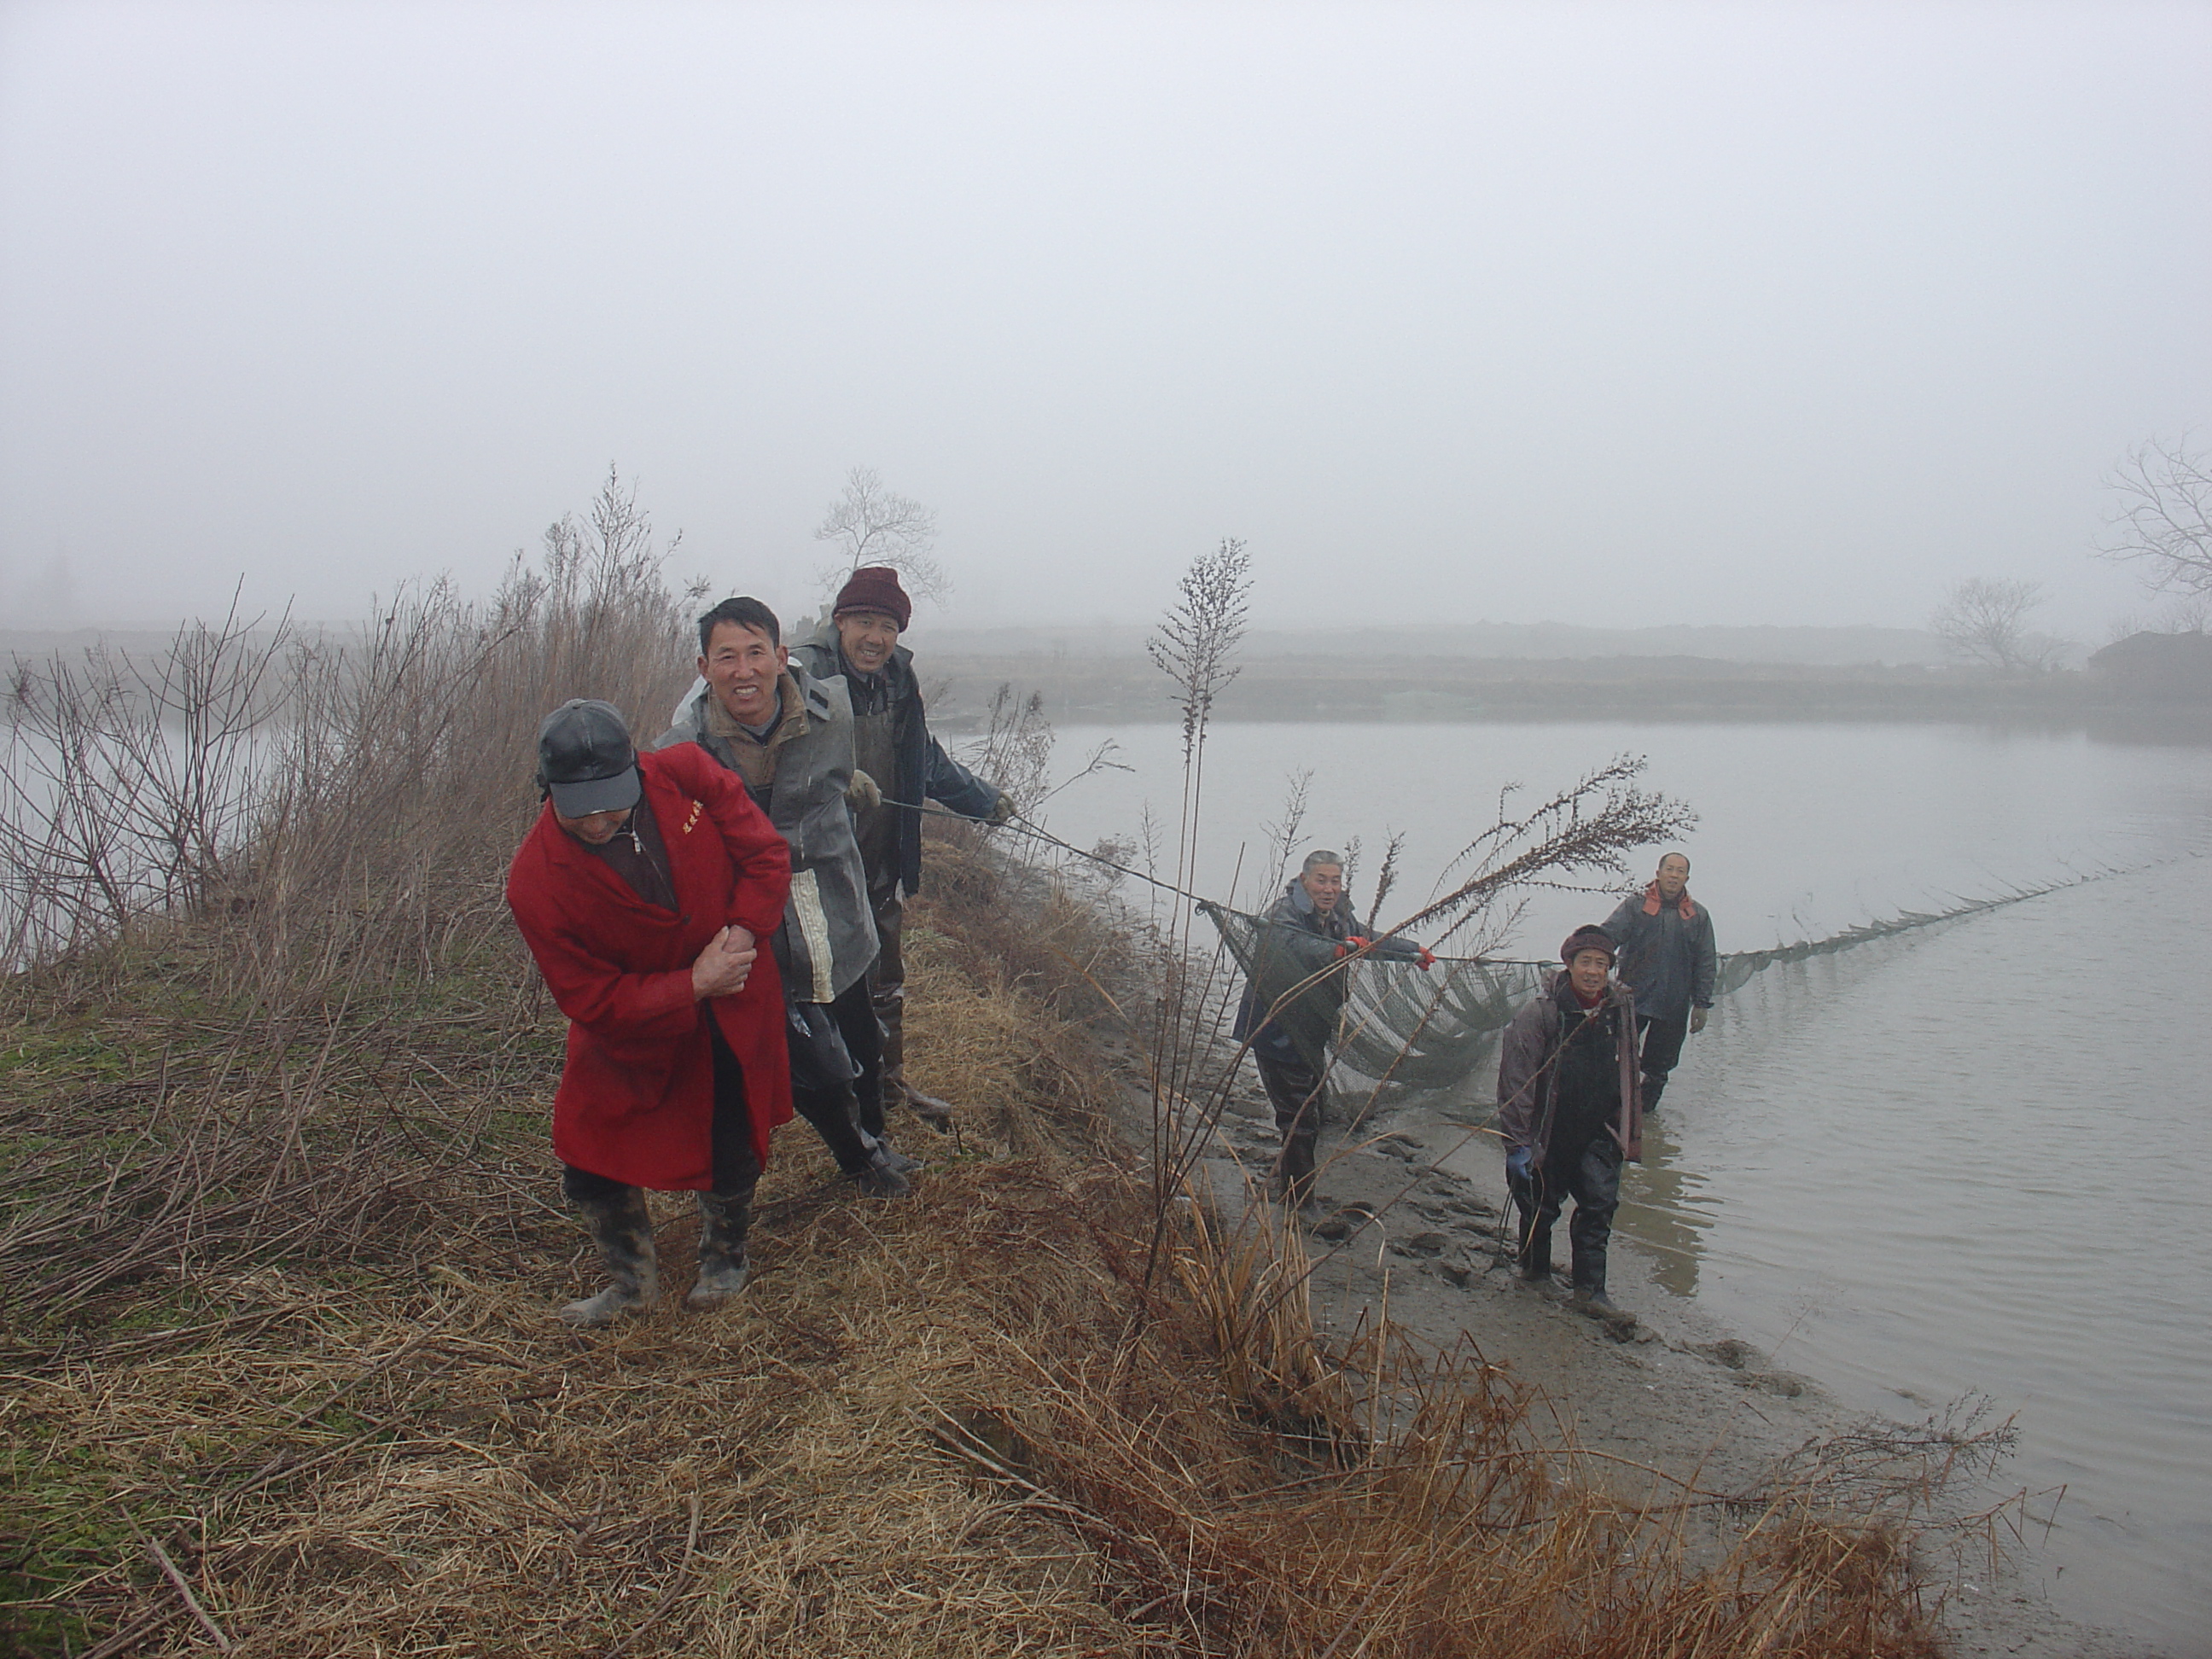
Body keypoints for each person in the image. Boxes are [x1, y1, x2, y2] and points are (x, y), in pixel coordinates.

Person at [505, 698, 793, 1326]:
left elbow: (765, 855)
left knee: (730, 1137)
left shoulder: (686, 773)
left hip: (735, 997)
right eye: (580, 809)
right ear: (547, 792)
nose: (601, 819)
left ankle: (725, 1260)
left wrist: (740, 939)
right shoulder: (534, 880)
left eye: (614, 799)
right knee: (589, 1150)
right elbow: (586, 998)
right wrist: (690, 985)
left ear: (635, 769)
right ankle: (632, 1287)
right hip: (635, 1026)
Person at [657, 597, 913, 1198]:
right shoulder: (681, 746)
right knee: (801, 1046)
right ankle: (848, 1155)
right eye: (726, 658)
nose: (743, 671)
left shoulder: (834, 713)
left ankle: (877, 1136)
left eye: (755, 653)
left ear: (780, 655)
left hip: (834, 896)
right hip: (753, 910)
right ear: (704, 667)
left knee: (861, 1028)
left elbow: (836, 771)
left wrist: (845, 781)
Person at [791, 566, 1015, 1128]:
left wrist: (982, 801)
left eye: (888, 625)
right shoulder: (803, 672)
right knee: (820, 989)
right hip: (812, 871)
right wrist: (836, 779)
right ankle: (832, 1104)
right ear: (840, 621)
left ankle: (886, 1091)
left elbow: (925, 758)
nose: (876, 637)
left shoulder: (897, 677)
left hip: (879, 859)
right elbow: (773, 760)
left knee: (885, 981)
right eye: (864, 621)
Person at [1232, 850, 1432, 1210]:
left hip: (1312, 1027)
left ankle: (1289, 1184)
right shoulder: (1284, 913)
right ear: (1304, 880)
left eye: (1335, 881)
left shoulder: (1340, 914)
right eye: (1321, 880)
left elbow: (1366, 937)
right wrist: (1336, 950)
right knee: (1299, 1118)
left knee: (1310, 1109)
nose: (1329, 889)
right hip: (1276, 1027)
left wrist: (1412, 950)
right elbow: (1291, 943)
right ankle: (1299, 1204)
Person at [1496, 925, 1644, 1317]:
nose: (1594, 972)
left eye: (1602, 964)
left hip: (1598, 1132)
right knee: (1540, 1208)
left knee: (1600, 1207)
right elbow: (1515, 1081)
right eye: (1586, 963)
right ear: (1569, 964)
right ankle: (1534, 1273)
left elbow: (1630, 1070)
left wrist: (1626, 1132)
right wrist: (1517, 1145)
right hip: (1548, 1132)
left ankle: (1590, 1292)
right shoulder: (1540, 1013)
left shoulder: (1619, 1009)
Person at [1603, 852, 1717, 1111]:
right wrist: (1587, 955)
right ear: (1658, 873)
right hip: (1632, 998)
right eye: (1669, 869)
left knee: (1659, 1068)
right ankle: (1610, 1110)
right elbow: (1609, 936)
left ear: (1687, 878)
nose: (1674, 876)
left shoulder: (1698, 916)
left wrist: (1701, 1005)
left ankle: (1643, 1120)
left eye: (1680, 871)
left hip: (1674, 1005)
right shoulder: (1635, 906)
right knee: (1616, 1054)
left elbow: (1706, 962)